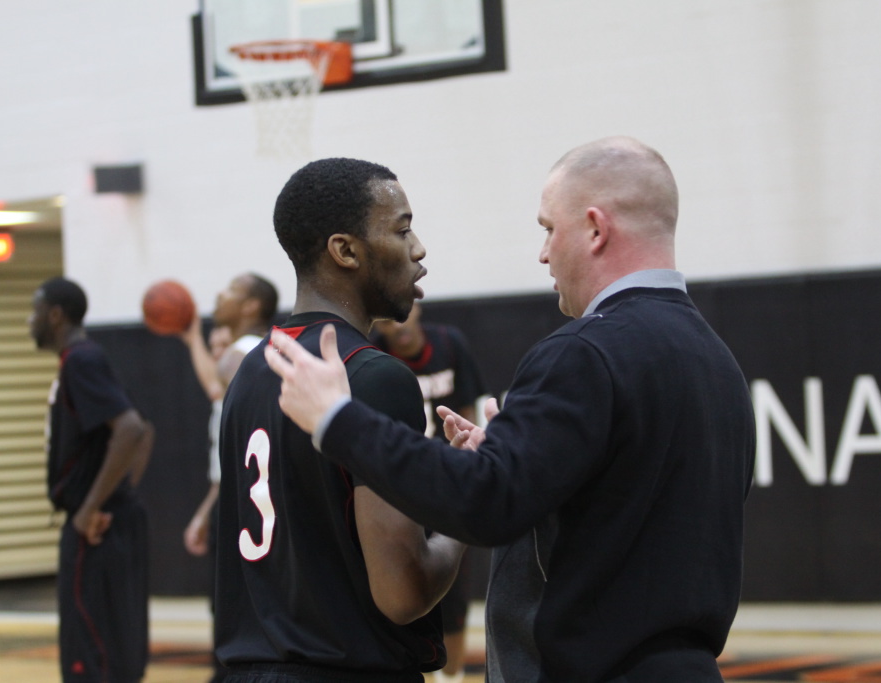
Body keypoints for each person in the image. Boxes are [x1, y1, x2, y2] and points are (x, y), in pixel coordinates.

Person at [264, 136, 757, 681]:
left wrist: (338, 418)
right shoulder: (717, 361)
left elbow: (485, 504)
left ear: (595, 229)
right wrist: (517, 462)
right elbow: (628, 519)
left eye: (549, 229)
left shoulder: (585, 352)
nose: (544, 252)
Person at [214, 157, 466, 682]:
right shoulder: (374, 377)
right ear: (345, 251)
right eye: (402, 229)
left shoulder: (251, 370)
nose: (418, 248)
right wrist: (463, 514)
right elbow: (403, 593)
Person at [30, 276, 155, 683]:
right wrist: (115, 494)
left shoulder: (81, 360)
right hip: (111, 523)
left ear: (54, 315)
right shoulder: (85, 359)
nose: (29, 321)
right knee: (114, 653)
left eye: (34, 311)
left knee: (91, 659)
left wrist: (92, 507)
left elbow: (133, 430)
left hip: (95, 534)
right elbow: (144, 432)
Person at [373, 302, 487, 683]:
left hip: (448, 478)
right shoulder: (372, 355)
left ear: (417, 310)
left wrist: (471, 461)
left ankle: (451, 678)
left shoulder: (450, 344)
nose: (398, 325)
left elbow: (470, 407)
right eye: (387, 320)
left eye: (403, 315)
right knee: (405, 584)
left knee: (453, 596)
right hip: (400, 487)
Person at [181, 273, 279, 558]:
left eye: (232, 289)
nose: (220, 295)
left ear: (251, 306)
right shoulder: (270, 347)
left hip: (252, 500)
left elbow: (215, 389)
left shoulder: (238, 357)